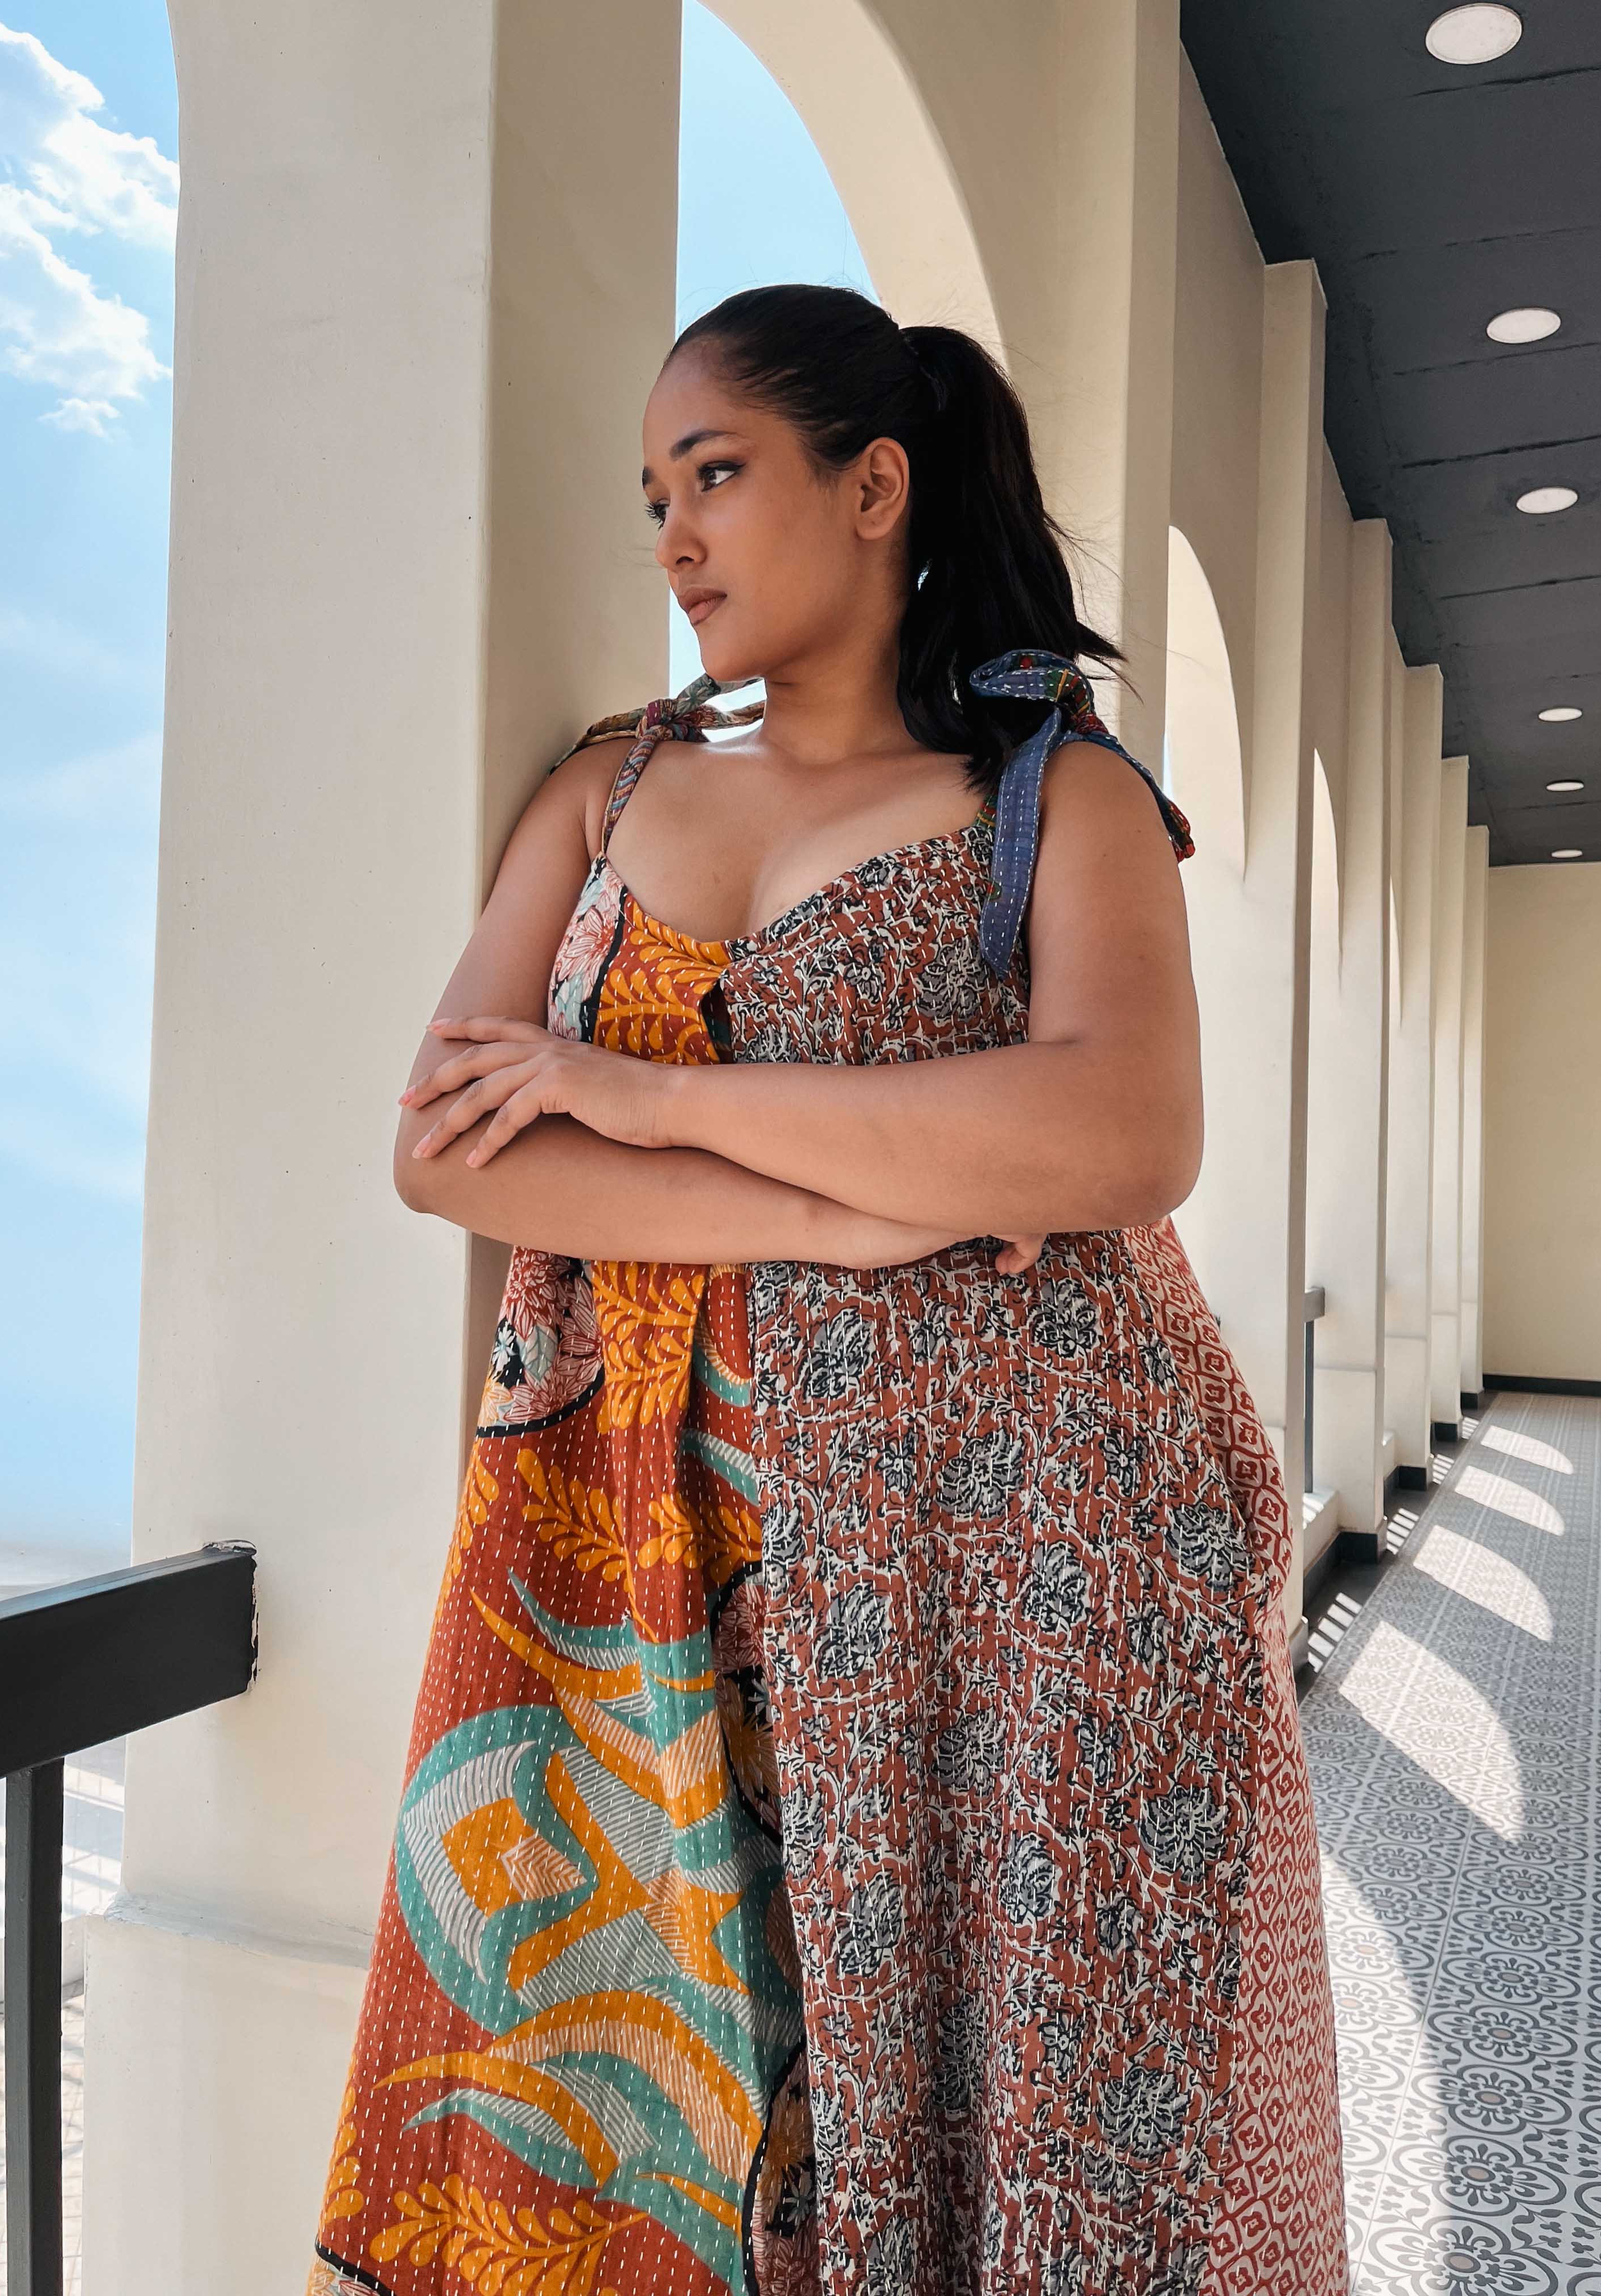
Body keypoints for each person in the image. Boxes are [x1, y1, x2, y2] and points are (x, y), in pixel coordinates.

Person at [306, 282, 1347, 2296]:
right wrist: (842, 1207)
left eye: (717, 476)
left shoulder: (1054, 792)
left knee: (1022, 2116)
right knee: (658, 2102)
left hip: (1036, 1552)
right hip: (646, 1549)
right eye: (653, 498)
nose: (677, 538)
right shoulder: (612, 788)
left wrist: (625, 1095)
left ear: (876, 486)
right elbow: (444, 1146)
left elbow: (1122, 1139)